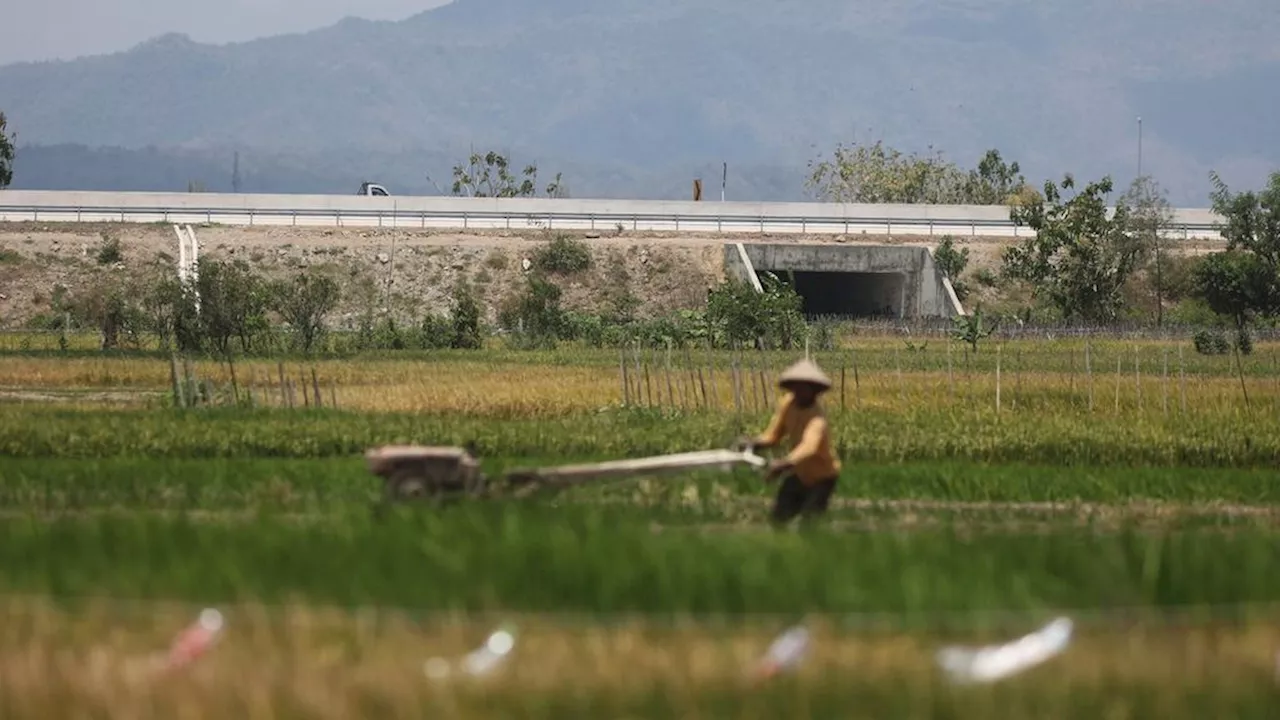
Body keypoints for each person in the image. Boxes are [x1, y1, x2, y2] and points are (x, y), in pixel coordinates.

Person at [740, 358, 841, 525]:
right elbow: (773, 435)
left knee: (809, 523)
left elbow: (808, 448)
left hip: (822, 478)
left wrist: (783, 464)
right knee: (778, 518)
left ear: (814, 390)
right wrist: (753, 443)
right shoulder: (788, 404)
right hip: (799, 474)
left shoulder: (817, 419)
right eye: (796, 386)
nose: (799, 391)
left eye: (804, 387)